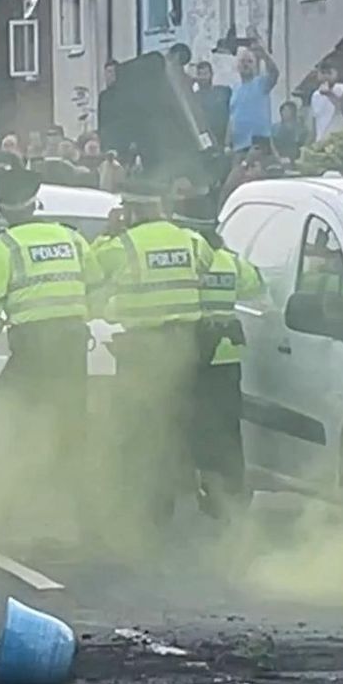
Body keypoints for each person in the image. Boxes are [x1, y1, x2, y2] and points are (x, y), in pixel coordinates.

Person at [0, 169, 102, 534]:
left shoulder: (2, 248)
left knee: (14, 425)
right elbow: (95, 286)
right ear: (35, 202)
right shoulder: (71, 238)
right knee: (72, 431)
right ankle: (85, 518)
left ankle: (5, 515)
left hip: (31, 348)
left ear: (2, 209)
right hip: (73, 346)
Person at [93, 191, 213, 522]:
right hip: (185, 346)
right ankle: (178, 492)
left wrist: (108, 231)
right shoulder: (191, 240)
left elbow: (92, 269)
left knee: (139, 427)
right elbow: (207, 264)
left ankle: (144, 502)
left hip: (142, 348)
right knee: (175, 421)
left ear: (131, 211)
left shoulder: (123, 245)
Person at [176, 197, 262, 517]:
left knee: (192, 422)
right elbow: (255, 286)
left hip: (195, 351)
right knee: (227, 426)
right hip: (227, 357)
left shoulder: (189, 261)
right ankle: (231, 489)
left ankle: (198, 486)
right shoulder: (230, 261)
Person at [227, 41, 279, 152]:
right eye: (242, 61)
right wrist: (227, 142)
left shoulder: (261, 83)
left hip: (258, 143)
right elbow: (232, 117)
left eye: (250, 62)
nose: (245, 64)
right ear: (237, 66)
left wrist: (264, 55)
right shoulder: (235, 89)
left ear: (255, 66)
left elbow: (274, 73)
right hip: (238, 144)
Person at [192, 61, 232, 150]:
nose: (202, 77)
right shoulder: (194, 97)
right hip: (208, 142)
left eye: (205, 74)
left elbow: (233, 113)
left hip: (226, 138)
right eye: (200, 74)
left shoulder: (223, 91)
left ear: (211, 74)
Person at [309, 63, 343, 142]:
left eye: (329, 73)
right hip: (321, 141)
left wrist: (329, 94)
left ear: (336, 74)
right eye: (323, 73)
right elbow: (315, 122)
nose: (325, 77)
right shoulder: (315, 95)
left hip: (341, 140)